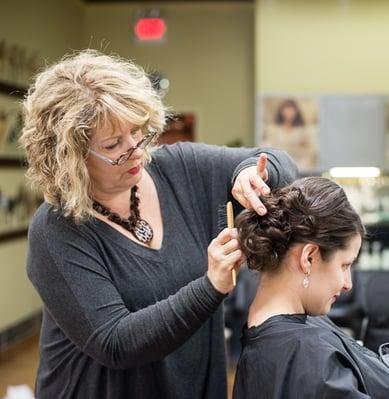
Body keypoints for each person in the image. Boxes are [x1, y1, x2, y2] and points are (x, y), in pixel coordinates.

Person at [19, 50, 297, 399]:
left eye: (137, 132)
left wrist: (248, 174)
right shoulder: (57, 229)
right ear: (70, 158)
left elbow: (278, 161)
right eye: (113, 145)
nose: (136, 151)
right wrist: (211, 286)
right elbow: (115, 342)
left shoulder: (179, 168)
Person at [232, 177, 389, 398]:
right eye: (344, 265)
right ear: (309, 258)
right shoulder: (306, 357)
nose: (347, 284)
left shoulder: (280, 329)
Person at [262, 99, 317, 170]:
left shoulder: (303, 130)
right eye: (286, 109)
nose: (289, 113)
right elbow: (267, 146)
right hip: (278, 163)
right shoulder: (273, 129)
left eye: (291, 110)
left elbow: (311, 150)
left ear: (296, 111)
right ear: (281, 111)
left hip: (300, 165)